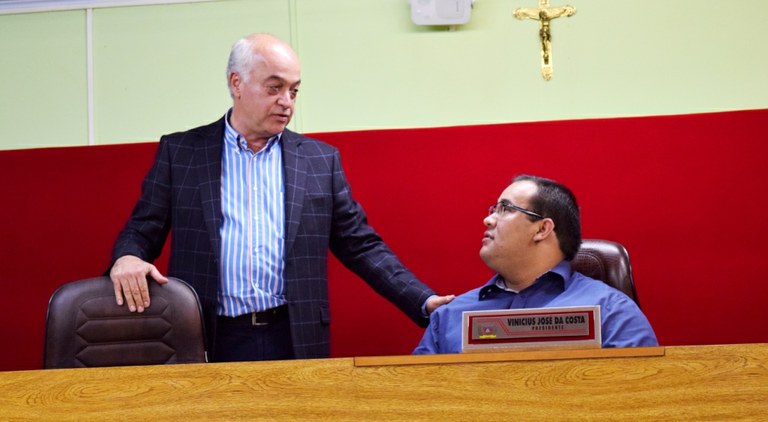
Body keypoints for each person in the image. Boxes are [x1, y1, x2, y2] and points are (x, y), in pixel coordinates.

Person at [109, 33, 454, 362]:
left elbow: (361, 246)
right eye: (274, 88)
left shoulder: (319, 161)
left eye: (294, 90)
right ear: (236, 83)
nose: (286, 102)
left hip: (294, 335)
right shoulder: (182, 153)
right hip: (207, 334)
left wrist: (423, 301)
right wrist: (127, 257)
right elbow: (142, 229)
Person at [413, 175, 657, 354]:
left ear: (542, 229)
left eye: (505, 209)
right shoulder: (449, 317)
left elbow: (640, 396)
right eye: (493, 209)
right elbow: (417, 398)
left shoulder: (612, 312)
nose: (488, 219)